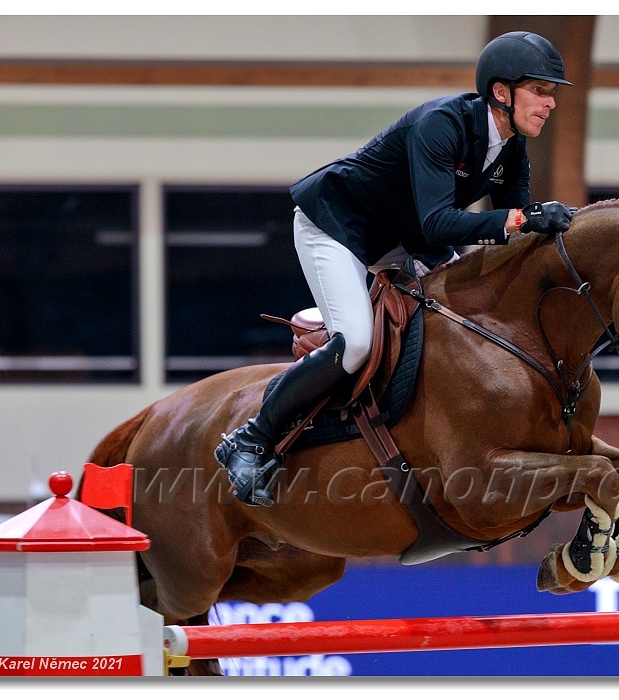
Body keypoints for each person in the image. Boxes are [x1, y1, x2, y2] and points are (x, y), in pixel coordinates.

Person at [216, 31, 577, 506]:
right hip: (337, 225)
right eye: (540, 91)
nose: (550, 104)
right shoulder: (441, 124)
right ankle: (250, 438)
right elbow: (442, 221)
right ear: (501, 92)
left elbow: (511, 238)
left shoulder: (511, 151)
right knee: (356, 343)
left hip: (404, 239)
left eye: (552, 93)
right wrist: (520, 218)